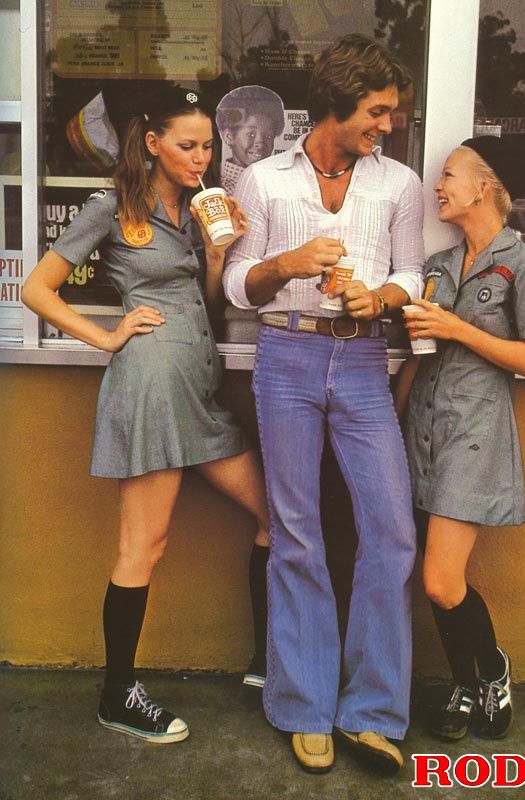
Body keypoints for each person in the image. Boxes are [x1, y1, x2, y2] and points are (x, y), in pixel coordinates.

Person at [22, 86, 270, 744]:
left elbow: (209, 305)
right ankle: (118, 693)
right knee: (144, 547)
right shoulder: (112, 206)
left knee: (279, 515)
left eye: (208, 146)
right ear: (153, 144)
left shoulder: (197, 209)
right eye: (187, 145)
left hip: (201, 393)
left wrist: (216, 255)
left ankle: (267, 663)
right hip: (152, 391)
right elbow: (36, 290)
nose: (201, 157)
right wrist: (105, 337)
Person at [223, 34, 424, 774]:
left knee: (392, 532)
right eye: (377, 111)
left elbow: (412, 273)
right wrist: (286, 263)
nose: (387, 124)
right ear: (338, 105)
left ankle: (371, 711)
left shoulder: (398, 183)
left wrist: (383, 297)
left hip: (364, 360)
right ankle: (303, 704)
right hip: (287, 356)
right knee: (297, 532)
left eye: (391, 113)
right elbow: (236, 282)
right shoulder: (263, 179)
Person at [398, 135, 525, 742]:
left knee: (440, 579)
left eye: (449, 175)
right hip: (420, 430)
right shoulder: (438, 267)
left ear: (483, 187)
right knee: (432, 577)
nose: (438, 186)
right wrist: (390, 421)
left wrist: (458, 328)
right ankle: (464, 684)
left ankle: (491, 671)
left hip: (474, 434)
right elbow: (418, 355)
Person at [216, 85, 285, 194]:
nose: (260, 144)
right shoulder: (221, 192)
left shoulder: (275, 184)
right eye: (251, 134)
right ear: (229, 136)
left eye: (268, 136)